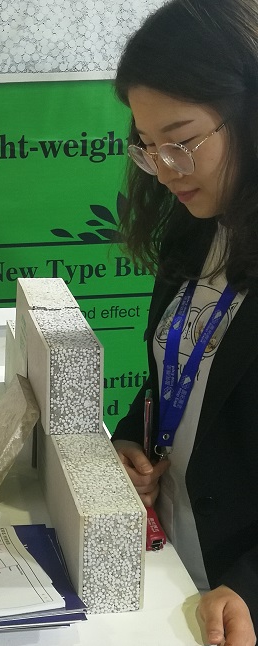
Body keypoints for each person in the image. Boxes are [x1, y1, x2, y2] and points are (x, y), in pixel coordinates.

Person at [110, 1, 258, 645]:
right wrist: (132, 440)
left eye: (182, 140)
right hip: (180, 568)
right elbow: (178, 372)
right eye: (149, 147)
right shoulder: (196, 226)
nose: (167, 170)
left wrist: (252, 586)